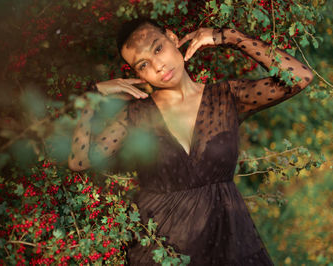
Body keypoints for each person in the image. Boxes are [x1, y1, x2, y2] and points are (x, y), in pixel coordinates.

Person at [68, 17, 314, 265]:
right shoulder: (135, 116)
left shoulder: (226, 98)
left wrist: (226, 36)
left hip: (231, 247)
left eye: (158, 48)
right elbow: (79, 160)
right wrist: (92, 95)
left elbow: (300, 77)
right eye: (143, 64)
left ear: (173, 39)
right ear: (137, 73)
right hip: (161, 255)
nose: (158, 66)